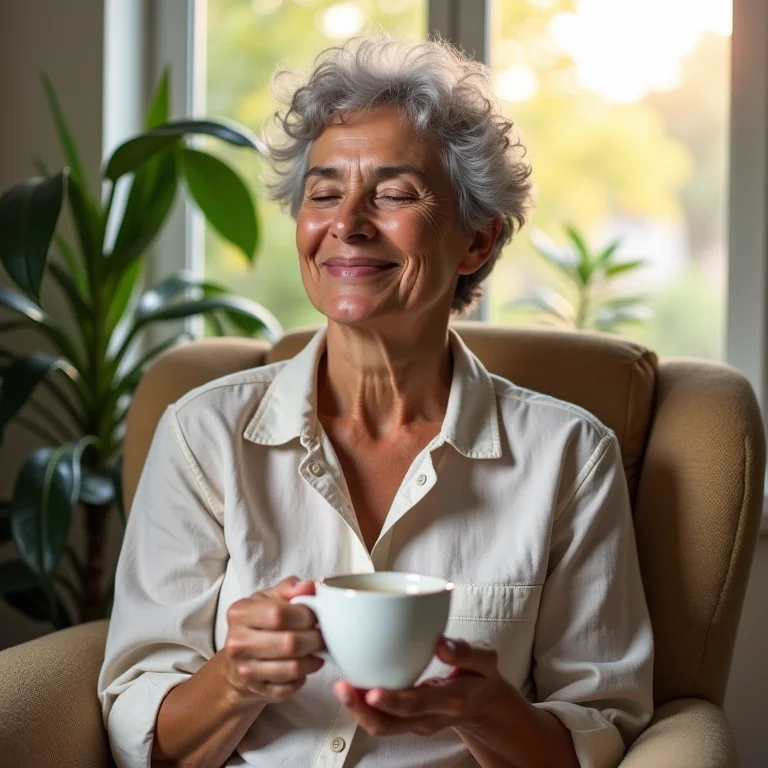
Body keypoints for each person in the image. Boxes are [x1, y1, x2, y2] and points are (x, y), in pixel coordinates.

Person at [98, 36, 653, 768]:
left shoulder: (570, 458)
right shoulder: (203, 434)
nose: (348, 222)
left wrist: (487, 709)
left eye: (393, 194)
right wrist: (235, 678)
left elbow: (600, 734)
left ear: (477, 242)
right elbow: (144, 733)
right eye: (324, 193)